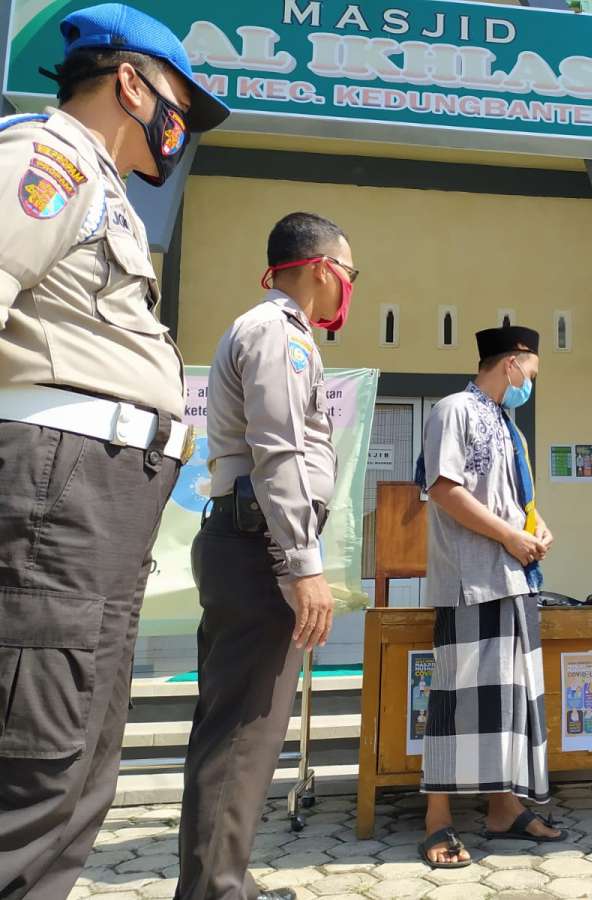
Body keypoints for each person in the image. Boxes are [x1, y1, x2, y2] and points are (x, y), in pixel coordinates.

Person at [0, 6, 228, 898]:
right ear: (130, 83)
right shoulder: (45, 161)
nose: (181, 126)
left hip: (100, 497)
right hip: (60, 486)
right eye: (177, 100)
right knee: (35, 761)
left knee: (78, 770)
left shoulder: (108, 194)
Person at [175, 212, 353, 900]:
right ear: (320, 267)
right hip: (260, 551)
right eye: (349, 272)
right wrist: (303, 566)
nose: (348, 287)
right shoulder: (279, 335)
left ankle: (218, 884)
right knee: (244, 734)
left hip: (249, 543)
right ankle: (218, 892)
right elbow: (278, 453)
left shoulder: (272, 332)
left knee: (234, 730)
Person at [417, 326, 564, 869]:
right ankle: (438, 820)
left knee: (506, 705)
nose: (530, 383)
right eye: (531, 373)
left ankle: (502, 808)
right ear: (512, 363)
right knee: (456, 701)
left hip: (515, 579)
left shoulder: (508, 424)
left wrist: (536, 526)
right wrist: (507, 535)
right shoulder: (454, 409)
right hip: (470, 580)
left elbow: (516, 502)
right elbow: (443, 488)